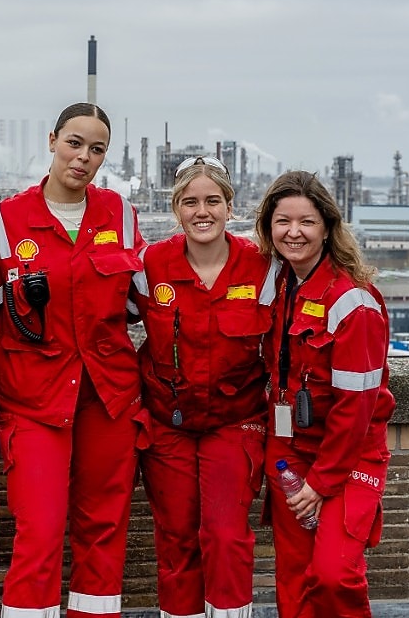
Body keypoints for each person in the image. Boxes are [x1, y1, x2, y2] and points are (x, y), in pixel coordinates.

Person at [0, 102, 146, 618]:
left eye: (97, 149)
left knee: (104, 530)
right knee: (40, 530)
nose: (83, 157)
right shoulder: (4, 221)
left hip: (107, 398)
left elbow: (137, 302)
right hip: (34, 399)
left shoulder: (120, 214)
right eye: (74, 143)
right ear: (52, 141)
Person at [128, 156, 277, 618]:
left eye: (213, 201)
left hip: (234, 423)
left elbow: (284, 349)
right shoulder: (150, 265)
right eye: (190, 202)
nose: (202, 211)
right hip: (167, 425)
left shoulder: (263, 268)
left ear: (230, 206)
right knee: (176, 539)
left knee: (226, 537)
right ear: (176, 209)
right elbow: (105, 320)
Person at [255, 170, 394, 618]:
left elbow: (356, 410)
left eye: (307, 222)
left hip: (347, 457)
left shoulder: (354, 303)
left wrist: (320, 482)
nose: (293, 232)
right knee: (294, 577)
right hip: (288, 449)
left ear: (328, 228)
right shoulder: (278, 284)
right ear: (268, 227)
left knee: (335, 575)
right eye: (283, 221)